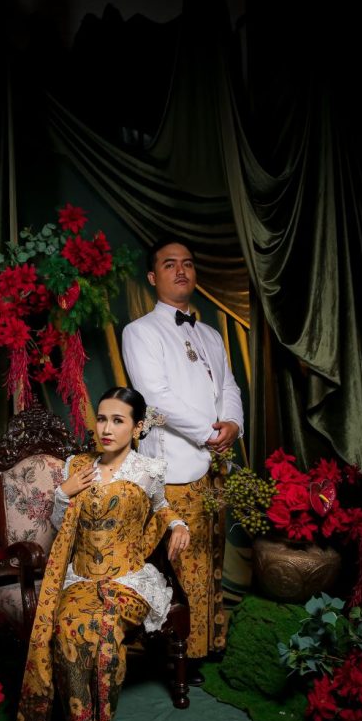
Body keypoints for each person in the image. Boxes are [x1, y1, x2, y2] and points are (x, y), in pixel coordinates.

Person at [15, 386, 190, 721]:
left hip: (128, 581)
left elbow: (162, 507)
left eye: (118, 420)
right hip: (80, 579)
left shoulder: (148, 470)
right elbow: (60, 524)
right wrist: (64, 493)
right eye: (102, 418)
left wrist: (178, 524)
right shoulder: (78, 466)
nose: (106, 428)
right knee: (67, 629)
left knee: (104, 630)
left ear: (137, 427)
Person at [121, 238, 244, 683]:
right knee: (182, 565)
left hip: (213, 465)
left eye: (188, 264)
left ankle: (209, 642)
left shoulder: (210, 334)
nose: (181, 271)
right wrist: (211, 433)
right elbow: (156, 398)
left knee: (211, 557)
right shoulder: (140, 331)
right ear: (153, 277)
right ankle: (180, 656)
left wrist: (233, 424)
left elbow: (228, 386)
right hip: (173, 467)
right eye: (170, 264)